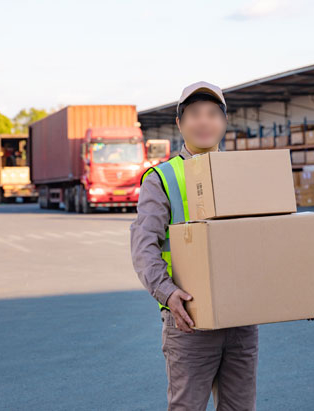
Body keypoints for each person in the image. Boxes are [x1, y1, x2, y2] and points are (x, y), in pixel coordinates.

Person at [130, 81, 259, 410]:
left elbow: (261, 237)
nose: (205, 122)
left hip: (240, 317)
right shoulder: (162, 178)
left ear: (224, 123)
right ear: (180, 123)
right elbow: (145, 246)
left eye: (213, 114)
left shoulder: (243, 174)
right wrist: (167, 293)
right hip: (188, 317)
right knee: (188, 406)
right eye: (195, 114)